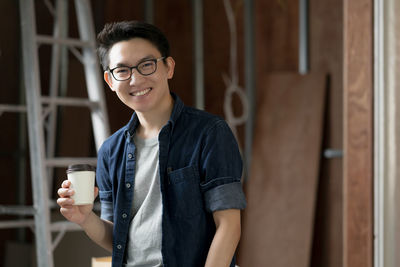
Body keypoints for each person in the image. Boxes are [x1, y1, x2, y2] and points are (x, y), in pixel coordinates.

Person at [57, 20, 246, 267]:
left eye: (146, 65)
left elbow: (229, 226)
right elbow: (118, 238)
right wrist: (85, 218)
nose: (135, 79)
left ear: (168, 67)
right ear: (110, 81)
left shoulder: (209, 133)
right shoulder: (110, 151)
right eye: (122, 70)